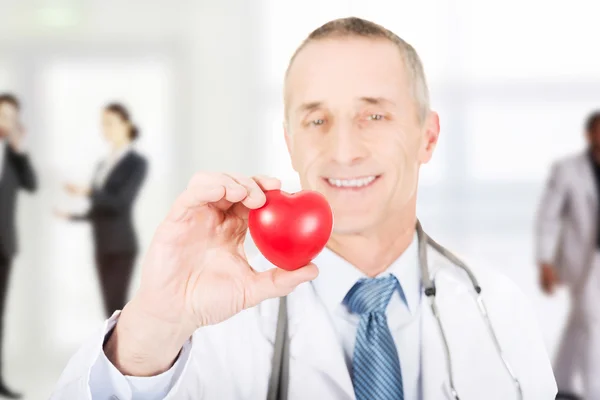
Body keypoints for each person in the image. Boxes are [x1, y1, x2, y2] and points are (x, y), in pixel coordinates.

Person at [50, 17, 556, 400]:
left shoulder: (497, 309)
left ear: (428, 136)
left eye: (374, 114)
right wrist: (155, 323)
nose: (343, 150)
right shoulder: (208, 323)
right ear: (289, 143)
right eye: (316, 121)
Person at [55, 103, 148, 318]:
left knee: (117, 305)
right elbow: (100, 208)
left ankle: (122, 350)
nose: (105, 129)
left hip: (120, 244)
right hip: (101, 243)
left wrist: (87, 191)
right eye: (102, 124)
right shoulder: (102, 164)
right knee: (108, 307)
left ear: (126, 125)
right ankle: (108, 349)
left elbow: (120, 202)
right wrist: (73, 216)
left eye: (110, 123)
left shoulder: (136, 162)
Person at [535, 110, 600, 400]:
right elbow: (548, 218)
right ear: (589, 134)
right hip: (583, 260)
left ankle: (558, 382)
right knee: (593, 322)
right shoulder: (567, 170)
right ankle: (592, 390)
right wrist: (545, 261)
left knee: (580, 321)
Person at [0, 93, 36, 399]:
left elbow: (31, 184)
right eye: (1, 115)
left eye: (10, 117)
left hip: (3, 247)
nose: (5, 122)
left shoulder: (14, 156)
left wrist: (19, 150)